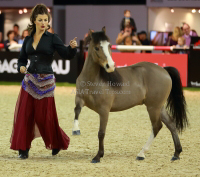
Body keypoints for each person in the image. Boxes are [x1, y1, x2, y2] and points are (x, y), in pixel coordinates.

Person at [10, 4, 77, 159]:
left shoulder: (53, 38)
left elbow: (66, 54)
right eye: (40, 20)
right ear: (34, 20)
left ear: (48, 21)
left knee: (43, 117)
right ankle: (23, 149)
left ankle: (56, 143)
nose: (43, 23)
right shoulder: (27, 39)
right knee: (25, 115)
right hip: (29, 81)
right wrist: (21, 67)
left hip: (46, 82)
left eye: (46, 20)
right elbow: (21, 60)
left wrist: (72, 48)